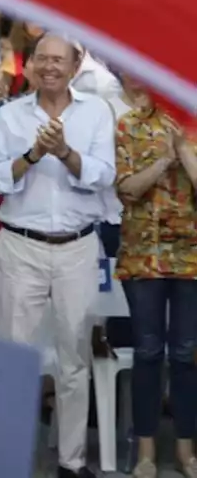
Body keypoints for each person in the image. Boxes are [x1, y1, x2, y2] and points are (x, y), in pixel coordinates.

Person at [0, 34, 117, 478]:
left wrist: (65, 153)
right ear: (30, 65)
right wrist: (34, 154)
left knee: (74, 360)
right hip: (20, 245)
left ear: (76, 64)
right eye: (42, 58)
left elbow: (102, 175)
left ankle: (71, 461)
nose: (50, 66)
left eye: (59, 59)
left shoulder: (96, 112)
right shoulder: (9, 115)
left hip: (77, 246)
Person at [113, 75, 198, 478]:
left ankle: (186, 449)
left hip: (193, 258)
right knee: (147, 352)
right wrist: (164, 159)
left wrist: (184, 149)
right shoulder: (130, 124)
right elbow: (127, 189)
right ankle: (144, 449)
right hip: (143, 254)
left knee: (185, 354)